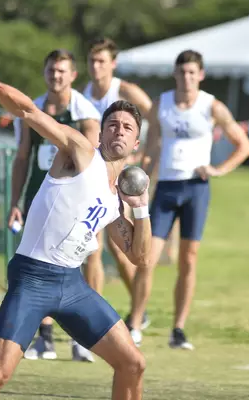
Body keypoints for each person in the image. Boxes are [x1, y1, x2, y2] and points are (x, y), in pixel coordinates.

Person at [0, 67, 151, 400]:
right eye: (112, 125)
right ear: (100, 134)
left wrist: (141, 208)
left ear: (135, 143)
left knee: (133, 363)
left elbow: (139, 256)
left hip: (72, 286)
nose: (118, 132)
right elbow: (28, 112)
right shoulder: (80, 152)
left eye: (127, 128)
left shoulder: (115, 201)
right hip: (32, 278)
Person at [128, 49, 249, 349]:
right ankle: (134, 323)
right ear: (175, 74)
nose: (187, 77)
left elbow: (243, 145)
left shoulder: (212, 106)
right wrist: (141, 181)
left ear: (201, 75)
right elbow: (151, 147)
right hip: (167, 188)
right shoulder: (162, 104)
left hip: (196, 188)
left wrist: (218, 169)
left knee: (188, 259)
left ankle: (178, 329)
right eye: (182, 72)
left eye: (192, 72)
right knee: (147, 259)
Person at [8, 49, 102, 362]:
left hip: (77, 202)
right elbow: (22, 157)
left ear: (73, 75)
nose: (56, 76)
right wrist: (15, 202)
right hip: (40, 198)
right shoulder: (33, 110)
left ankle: (85, 337)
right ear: (44, 71)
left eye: (62, 71)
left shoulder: (85, 114)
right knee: (39, 262)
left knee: (87, 260)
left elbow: (92, 160)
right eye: (51, 70)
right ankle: (44, 337)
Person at [82, 37, 157, 332]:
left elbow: (156, 120)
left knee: (120, 247)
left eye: (101, 61)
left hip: (125, 174)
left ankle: (137, 307)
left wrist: (144, 155)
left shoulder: (125, 90)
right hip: (98, 173)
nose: (96, 67)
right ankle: (96, 319)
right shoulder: (84, 94)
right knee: (96, 248)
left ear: (113, 64)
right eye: (91, 61)